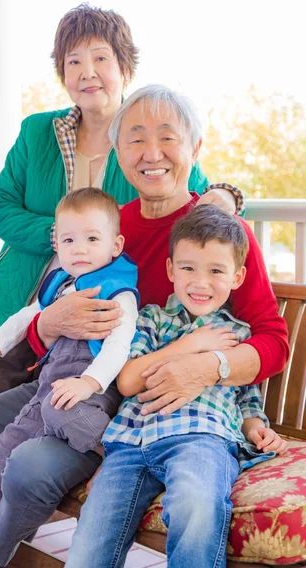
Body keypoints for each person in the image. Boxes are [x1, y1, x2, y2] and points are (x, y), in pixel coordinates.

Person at [0, 85, 288, 568]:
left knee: (27, 466)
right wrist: (48, 322)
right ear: (118, 151)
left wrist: (209, 366)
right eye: (134, 139)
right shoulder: (107, 229)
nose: (151, 153)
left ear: (195, 149)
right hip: (60, 382)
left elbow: (273, 340)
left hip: (115, 408)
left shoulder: (215, 235)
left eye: (167, 137)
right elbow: (45, 317)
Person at [0, 3, 241, 401]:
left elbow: (197, 195)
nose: (87, 73)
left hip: (102, 321)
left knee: (56, 423)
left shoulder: (143, 138)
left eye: (101, 58)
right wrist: (62, 236)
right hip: (25, 303)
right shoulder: (36, 133)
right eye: (74, 61)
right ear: (63, 73)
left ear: (124, 67)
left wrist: (229, 195)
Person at [64, 204, 288, 568]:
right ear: (171, 269)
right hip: (129, 445)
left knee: (197, 504)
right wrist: (191, 344)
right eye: (188, 268)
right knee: (92, 537)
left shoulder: (236, 335)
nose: (200, 282)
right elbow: (128, 379)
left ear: (237, 276)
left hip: (202, 438)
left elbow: (248, 400)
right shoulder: (151, 319)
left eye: (216, 270)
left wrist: (258, 429)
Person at [0, 187, 139, 559]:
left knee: (59, 410)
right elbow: (23, 318)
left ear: (115, 244)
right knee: (7, 443)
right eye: (69, 240)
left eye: (92, 239)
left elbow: (118, 346)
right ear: (57, 245)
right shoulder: (60, 285)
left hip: (92, 393)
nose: (79, 249)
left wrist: (88, 382)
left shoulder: (119, 292)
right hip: (48, 389)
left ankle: (113, 448)